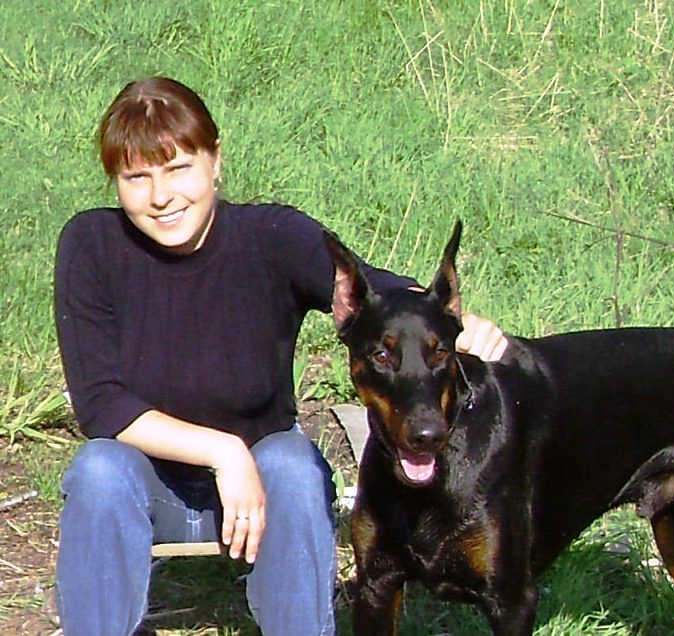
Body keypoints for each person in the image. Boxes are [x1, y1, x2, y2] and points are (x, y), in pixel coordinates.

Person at [53, 76, 508, 636]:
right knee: (99, 469)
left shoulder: (270, 235)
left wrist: (456, 325)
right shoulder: (93, 245)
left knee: (292, 465)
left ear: (215, 160)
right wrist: (224, 452)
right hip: (145, 485)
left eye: (179, 169)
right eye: (137, 177)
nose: (161, 196)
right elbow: (101, 405)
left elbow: (378, 296)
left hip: (265, 480)